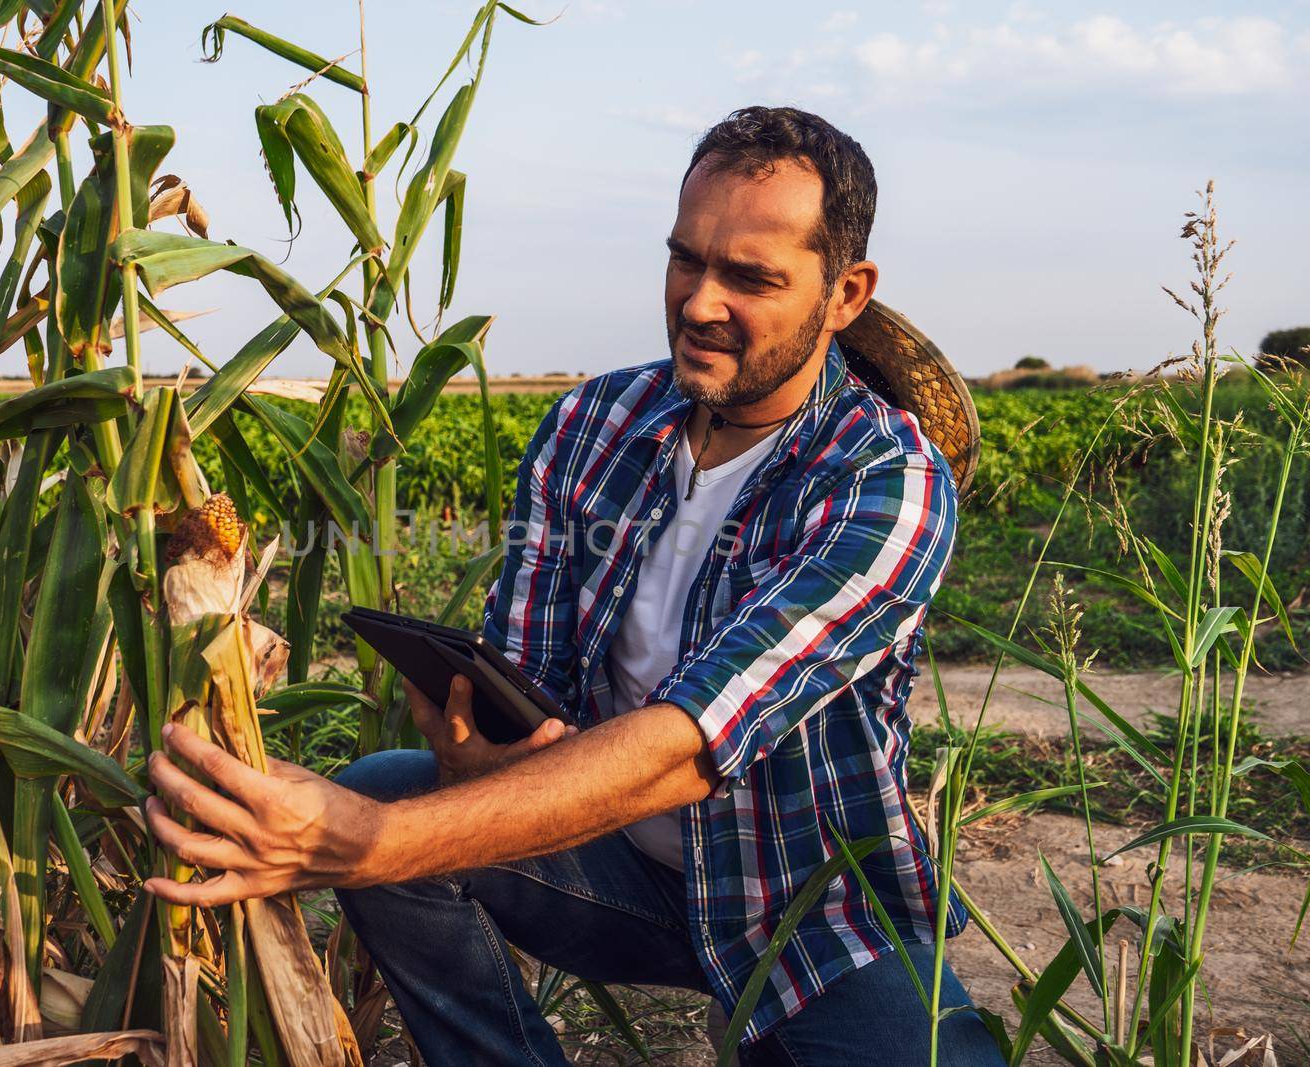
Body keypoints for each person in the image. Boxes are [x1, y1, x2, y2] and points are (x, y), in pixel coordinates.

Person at [143, 106, 1005, 1066]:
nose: (700, 301)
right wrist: (481, 746)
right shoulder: (592, 426)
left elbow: (692, 745)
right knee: (393, 784)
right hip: (614, 864)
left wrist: (370, 841)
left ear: (845, 293)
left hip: (804, 909)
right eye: (686, 260)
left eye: (752, 277)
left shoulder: (885, 481)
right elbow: (528, 677)